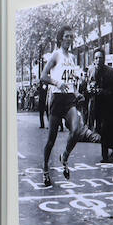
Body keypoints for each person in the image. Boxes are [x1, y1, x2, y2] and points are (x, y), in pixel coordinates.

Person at [38, 27, 98, 187]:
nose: (69, 40)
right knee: (51, 140)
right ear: (60, 38)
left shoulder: (72, 57)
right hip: (57, 99)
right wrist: (57, 82)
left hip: (69, 99)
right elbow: (43, 76)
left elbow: (71, 80)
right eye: (66, 37)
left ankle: (64, 157)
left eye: (71, 37)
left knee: (76, 130)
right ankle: (45, 169)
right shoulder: (55, 55)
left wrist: (77, 92)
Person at [90, 50, 113, 163]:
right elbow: (89, 87)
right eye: (96, 58)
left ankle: (105, 156)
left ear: (104, 59)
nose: (98, 60)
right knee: (100, 129)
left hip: (109, 107)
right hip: (97, 107)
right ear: (94, 60)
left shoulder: (111, 72)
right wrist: (90, 90)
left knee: (106, 130)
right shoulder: (92, 72)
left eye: (100, 58)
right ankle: (110, 151)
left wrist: (102, 91)